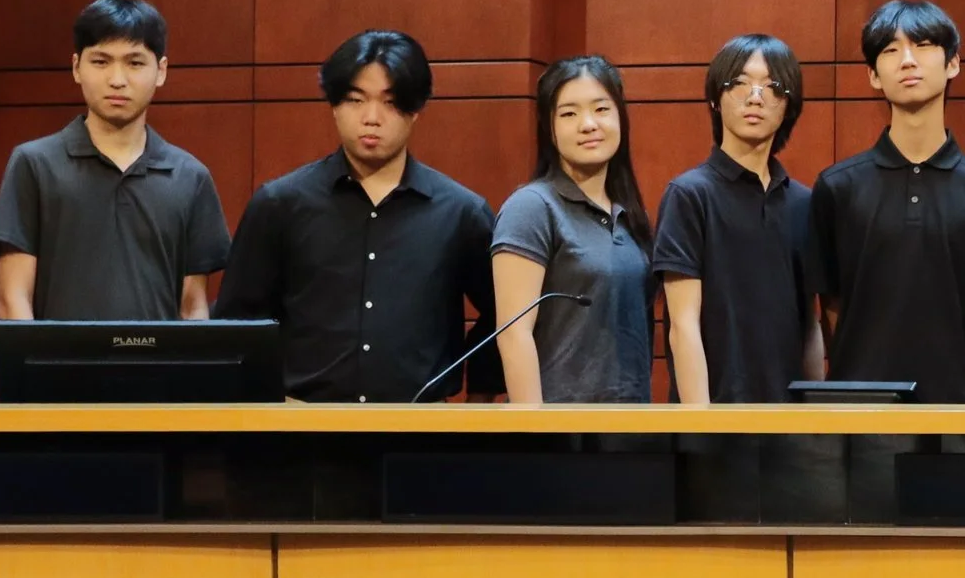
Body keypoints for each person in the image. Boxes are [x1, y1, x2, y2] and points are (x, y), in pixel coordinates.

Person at [215, 31, 498, 402]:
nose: (371, 118)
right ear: (334, 105)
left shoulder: (461, 212)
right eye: (355, 99)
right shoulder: (280, 203)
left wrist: (482, 393)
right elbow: (237, 324)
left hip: (421, 437)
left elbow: (503, 317)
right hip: (302, 437)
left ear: (416, 109)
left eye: (391, 102)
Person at [805, 0, 965, 403]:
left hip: (951, 413)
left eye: (924, 45)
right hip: (857, 408)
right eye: (890, 50)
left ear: (953, 64)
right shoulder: (837, 187)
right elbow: (830, 303)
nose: (908, 61)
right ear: (873, 76)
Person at [0, 0, 230, 322]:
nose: (117, 79)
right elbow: (14, 300)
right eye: (101, 62)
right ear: (76, 68)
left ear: (161, 71)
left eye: (135, 63)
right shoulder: (34, 165)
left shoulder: (190, 177)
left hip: (159, 373)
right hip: (60, 371)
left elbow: (193, 307)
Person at [652, 34, 821, 404]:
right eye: (739, 83)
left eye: (772, 86)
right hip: (715, 419)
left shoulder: (804, 202)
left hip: (790, 422)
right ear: (715, 98)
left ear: (789, 104)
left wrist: (816, 419)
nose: (755, 97)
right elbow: (682, 326)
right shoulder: (689, 195)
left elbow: (809, 324)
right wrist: (702, 425)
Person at [491, 56, 656, 404]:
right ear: (548, 128)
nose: (588, 124)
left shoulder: (629, 213)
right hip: (560, 437)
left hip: (632, 431)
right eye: (568, 113)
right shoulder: (532, 207)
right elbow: (513, 334)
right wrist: (535, 432)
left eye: (601, 109)